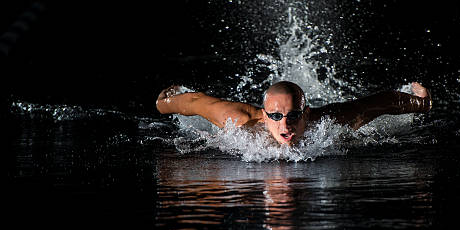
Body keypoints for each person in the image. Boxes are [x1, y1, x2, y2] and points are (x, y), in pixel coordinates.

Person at [156, 81, 432, 145]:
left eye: (294, 116)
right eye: (275, 116)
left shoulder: (329, 122)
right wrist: (164, 102)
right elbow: (194, 102)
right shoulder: (238, 121)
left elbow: (378, 103)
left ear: (307, 114)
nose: (285, 124)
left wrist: (421, 103)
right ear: (264, 116)